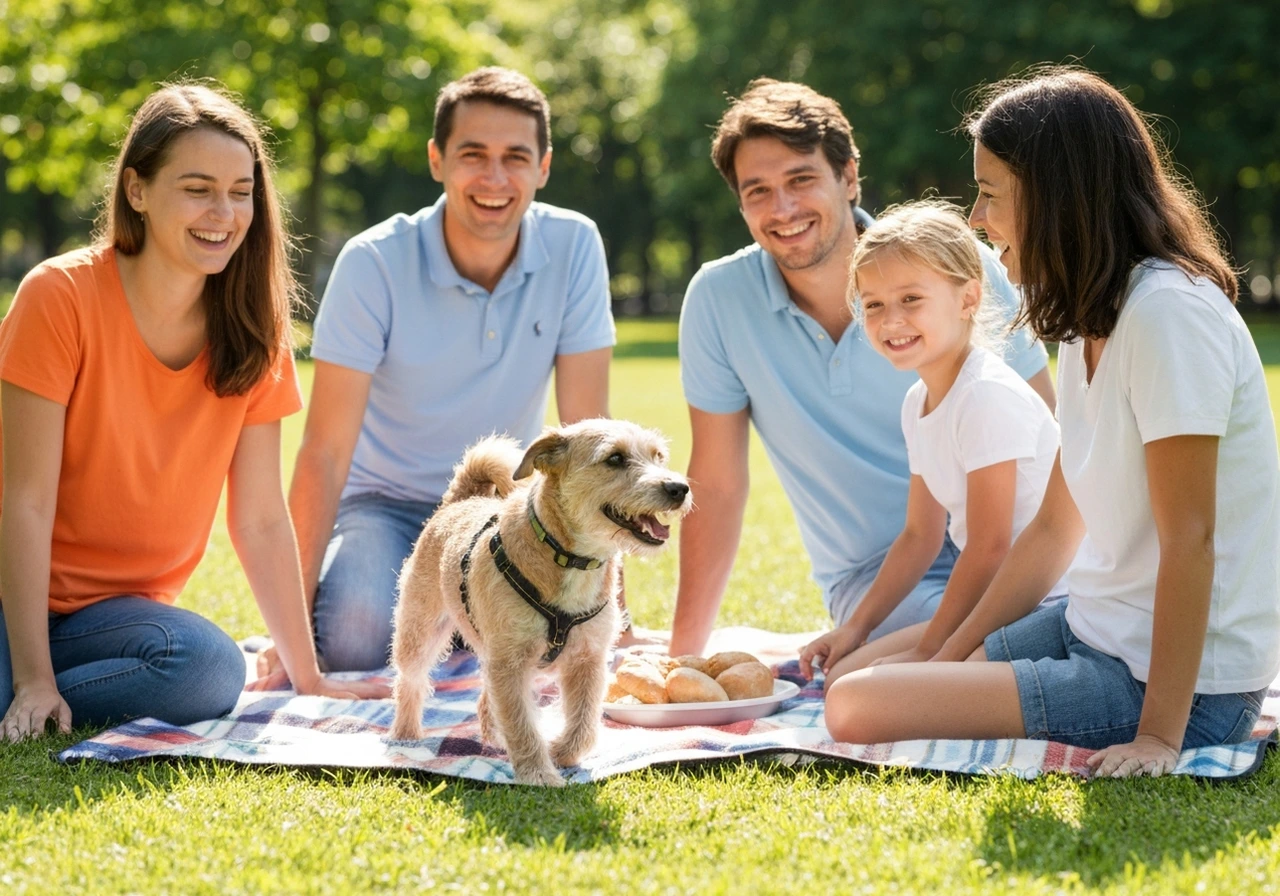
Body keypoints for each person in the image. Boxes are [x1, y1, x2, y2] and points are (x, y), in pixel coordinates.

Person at [824, 67, 1278, 778]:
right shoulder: (1082, 318)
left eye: (991, 194)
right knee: (868, 675)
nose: (975, 218)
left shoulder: (1167, 316)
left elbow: (1192, 538)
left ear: (1058, 196)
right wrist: (950, 658)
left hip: (1176, 687)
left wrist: (1159, 737)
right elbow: (1055, 529)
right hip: (1091, 628)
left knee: (856, 705)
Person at [0, 83, 384, 742]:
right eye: (198, 188)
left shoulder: (255, 330)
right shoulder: (59, 297)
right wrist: (33, 675)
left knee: (209, 671)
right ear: (137, 190)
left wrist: (309, 674)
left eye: (241, 192)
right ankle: (25, 687)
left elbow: (261, 518)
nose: (224, 212)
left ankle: (31, 692)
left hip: (115, 616)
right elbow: (22, 499)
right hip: (11, 591)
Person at [670, 79, 1054, 657]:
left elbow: (1047, 425)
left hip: (1017, 550)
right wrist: (683, 658)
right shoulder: (718, 299)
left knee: (971, 653)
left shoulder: (960, 262)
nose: (783, 209)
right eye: (758, 191)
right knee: (876, 678)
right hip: (880, 578)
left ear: (848, 176)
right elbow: (718, 487)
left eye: (801, 180)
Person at [275, 67, 616, 675]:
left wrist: (608, 598)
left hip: (504, 505)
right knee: (355, 637)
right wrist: (292, 628)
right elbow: (323, 452)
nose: (494, 178)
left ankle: (460, 618)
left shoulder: (575, 245)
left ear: (543, 167)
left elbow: (589, 435)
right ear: (437, 159)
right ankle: (463, 619)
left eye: (516, 157)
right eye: (472, 154)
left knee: (559, 644)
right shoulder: (372, 262)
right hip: (383, 505)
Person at [798, 202, 1065, 685]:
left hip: (1050, 610)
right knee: (844, 676)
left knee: (869, 700)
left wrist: (931, 651)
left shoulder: (984, 395)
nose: (890, 320)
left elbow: (990, 546)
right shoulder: (918, 401)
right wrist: (855, 629)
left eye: (911, 299)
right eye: (873, 304)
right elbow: (921, 535)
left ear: (968, 300)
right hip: (1000, 605)